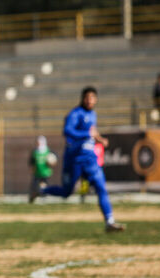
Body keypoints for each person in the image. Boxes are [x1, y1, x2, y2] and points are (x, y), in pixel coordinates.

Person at [31, 87, 125, 233]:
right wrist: (86, 134)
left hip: (90, 159)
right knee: (67, 192)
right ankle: (41, 190)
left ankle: (109, 221)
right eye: (87, 97)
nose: (89, 100)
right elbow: (67, 131)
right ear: (82, 98)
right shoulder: (75, 114)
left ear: (96, 99)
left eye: (92, 97)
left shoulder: (93, 114)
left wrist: (100, 139)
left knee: (101, 187)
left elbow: (92, 134)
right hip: (74, 159)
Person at [28, 135, 54, 204]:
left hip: (45, 172)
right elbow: (32, 163)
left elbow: (53, 161)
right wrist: (32, 170)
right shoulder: (35, 152)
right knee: (34, 187)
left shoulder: (48, 151)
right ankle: (32, 198)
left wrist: (51, 162)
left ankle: (43, 197)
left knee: (43, 185)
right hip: (37, 173)